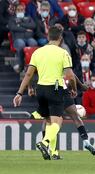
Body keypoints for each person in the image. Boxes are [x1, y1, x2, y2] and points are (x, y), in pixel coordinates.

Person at [13, 26, 77, 160]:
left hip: (40, 90)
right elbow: (70, 76)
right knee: (57, 121)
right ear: (60, 38)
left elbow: (29, 73)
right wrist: (73, 89)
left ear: (48, 37)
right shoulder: (63, 53)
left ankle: (54, 152)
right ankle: (44, 142)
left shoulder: (37, 52)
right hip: (55, 89)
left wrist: (19, 93)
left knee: (48, 120)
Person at [8, 3, 38, 73]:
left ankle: (32, 66)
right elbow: (13, 28)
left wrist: (20, 24)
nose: (20, 11)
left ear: (24, 11)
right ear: (16, 11)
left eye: (22, 10)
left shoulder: (29, 18)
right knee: (21, 44)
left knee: (33, 43)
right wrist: (26, 29)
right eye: (18, 10)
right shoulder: (12, 19)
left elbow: (33, 26)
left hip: (29, 38)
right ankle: (21, 66)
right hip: (18, 38)